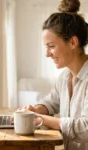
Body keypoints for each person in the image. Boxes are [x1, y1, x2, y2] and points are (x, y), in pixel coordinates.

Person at [14, 0, 88, 149]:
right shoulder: (65, 76)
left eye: (52, 46)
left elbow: (85, 127)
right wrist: (37, 109)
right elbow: (52, 101)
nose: (47, 54)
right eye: (46, 47)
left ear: (73, 42)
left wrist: (40, 119)